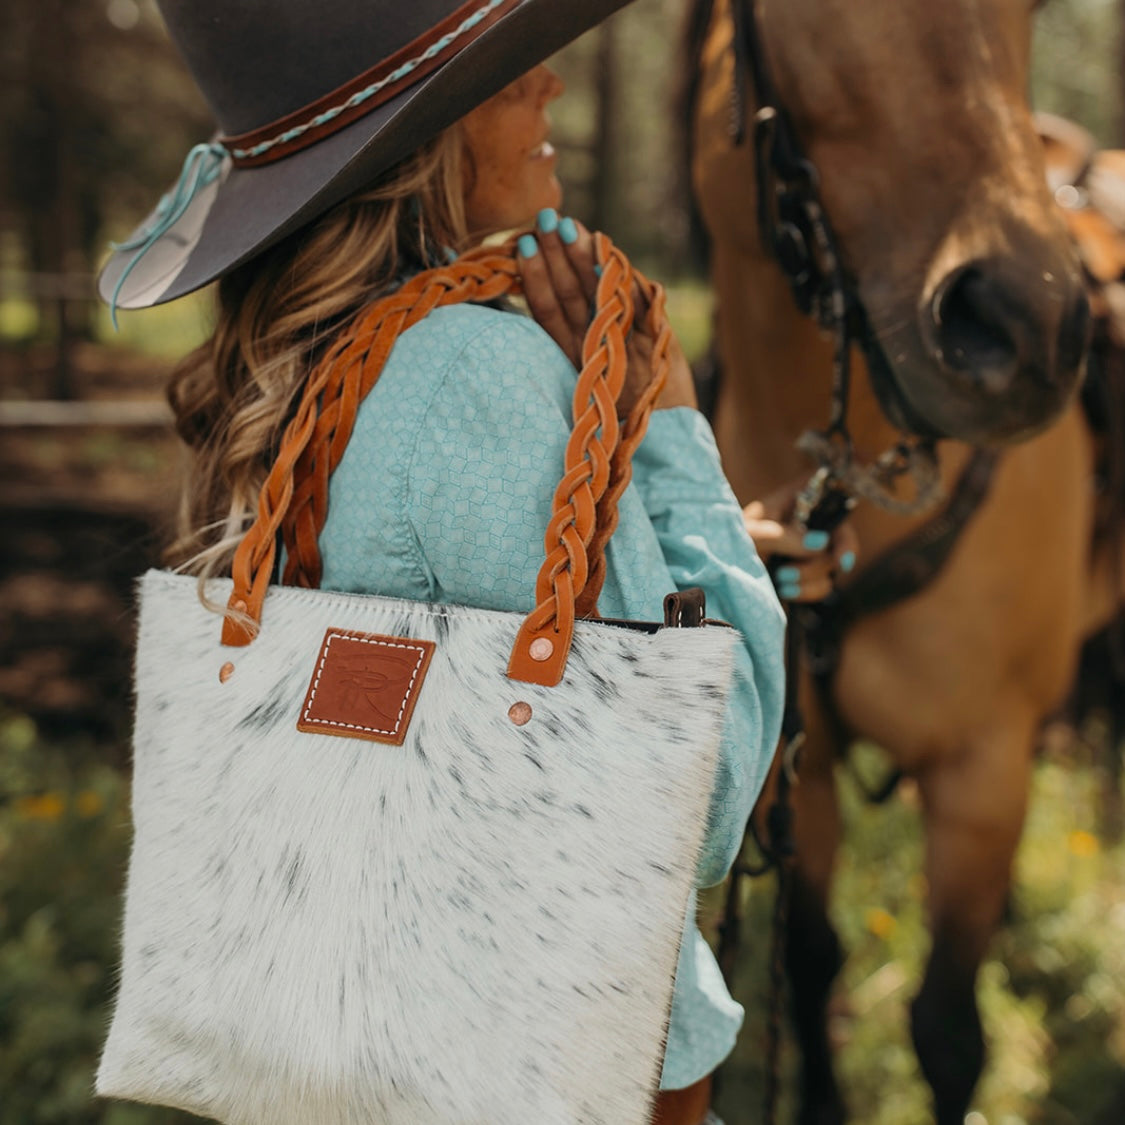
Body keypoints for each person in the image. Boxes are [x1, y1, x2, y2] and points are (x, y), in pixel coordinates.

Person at [100, 3, 817, 1121]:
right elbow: (707, 800)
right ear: (415, 138)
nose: (553, 91)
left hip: (341, 1057)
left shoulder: (303, 370)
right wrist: (669, 426)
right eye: (506, 72)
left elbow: (410, 655)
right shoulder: (471, 371)